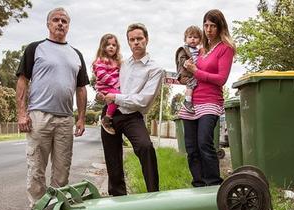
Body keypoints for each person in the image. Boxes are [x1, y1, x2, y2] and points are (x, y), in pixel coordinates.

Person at [15, 7, 89, 207]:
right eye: (55, 20)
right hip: (39, 117)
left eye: (64, 21)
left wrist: (81, 117)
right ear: (48, 24)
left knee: (62, 171)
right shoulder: (35, 48)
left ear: (68, 26)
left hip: (66, 119)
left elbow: (81, 89)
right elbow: (23, 80)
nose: (60, 24)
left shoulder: (76, 54)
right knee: (36, 168)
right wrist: (22, 113)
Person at [100, 23, 164, 196]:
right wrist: (104, 94)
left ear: (147, 40)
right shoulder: (123, 64)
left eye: (139, 38)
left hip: (132, 116)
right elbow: (109, 82)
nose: (136, 42)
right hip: (110, 113)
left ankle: (153, 194)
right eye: (132, 39)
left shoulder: (155, 69)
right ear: (128, 42)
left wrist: (116, 98)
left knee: (145, 147)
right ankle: (118, 197)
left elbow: (143, 100)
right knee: (112, 158)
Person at [178, 9, 235, 187]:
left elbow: (221, 79)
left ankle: (214, 185)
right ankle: (198, 184)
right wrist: (186, 71)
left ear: (220, 27)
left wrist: (197, 72)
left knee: (204, 143)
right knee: (191, 149)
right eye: (206, 25)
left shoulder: (226, 49)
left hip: (210, 101)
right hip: (192, 102)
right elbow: (190, 74)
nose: (208, 29)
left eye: (213, 26)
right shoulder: (201, 50)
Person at [93, 34, 122, 135]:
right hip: (105, 87)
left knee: (118, 97)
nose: (111, 47)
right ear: (103, 47)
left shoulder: (117, 61)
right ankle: (107, 118)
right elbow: (102, 75)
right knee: (117, 96)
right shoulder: (101, 60)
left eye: (114, 45)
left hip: (112, 87)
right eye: (108, 45)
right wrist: (116, 83)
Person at [175, 26, 203, 113]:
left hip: (193, 72)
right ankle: (187, 101)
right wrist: (185, 62)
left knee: (194, 85)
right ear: (185, 39)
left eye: (195, 37)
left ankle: (192, 100)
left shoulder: (198, 50)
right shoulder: (184, 49)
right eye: (190, 37)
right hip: (186, 72)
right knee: (190, 85)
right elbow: (181, 58)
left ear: (200, 40)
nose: (193, 39)